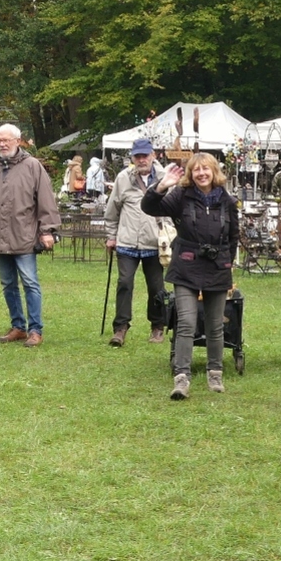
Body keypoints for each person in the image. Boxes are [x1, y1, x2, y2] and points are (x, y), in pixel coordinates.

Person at [142, 153, 239, 400]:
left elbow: (233, 235)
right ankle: (181, 377)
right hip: (186, 266)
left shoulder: (227, 200)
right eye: (197, 170)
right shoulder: (181, 195)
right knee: (185, 322)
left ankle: (215, 372)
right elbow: (150, 207)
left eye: (206, 169)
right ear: (191, 174)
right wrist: (161, 186)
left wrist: (228, 262)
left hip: (217, 266)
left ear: (214, 171)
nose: (202, 174)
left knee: (215, 324)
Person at [0, 124, 61, 348]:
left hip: (24, 236)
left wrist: (47, 230)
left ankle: (35, 330)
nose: (2, 144)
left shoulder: (33, 166)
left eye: (7, 140)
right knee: (8, 284)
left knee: (30, 283)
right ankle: (18, 327)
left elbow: (46, 200)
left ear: (18, 141)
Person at [104, 137, 167, 346]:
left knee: (157, 287)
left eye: (145, 155)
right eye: (137, 156)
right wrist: (111, 236)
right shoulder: (123, 178)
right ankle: (120, 328)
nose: (141, 160)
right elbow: (112, 210)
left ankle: (158, 327)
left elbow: (174, 207)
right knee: (124, 283)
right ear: (132, 157)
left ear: (153, 155)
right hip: (127, 242)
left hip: (155, 242)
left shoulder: (165, 178)